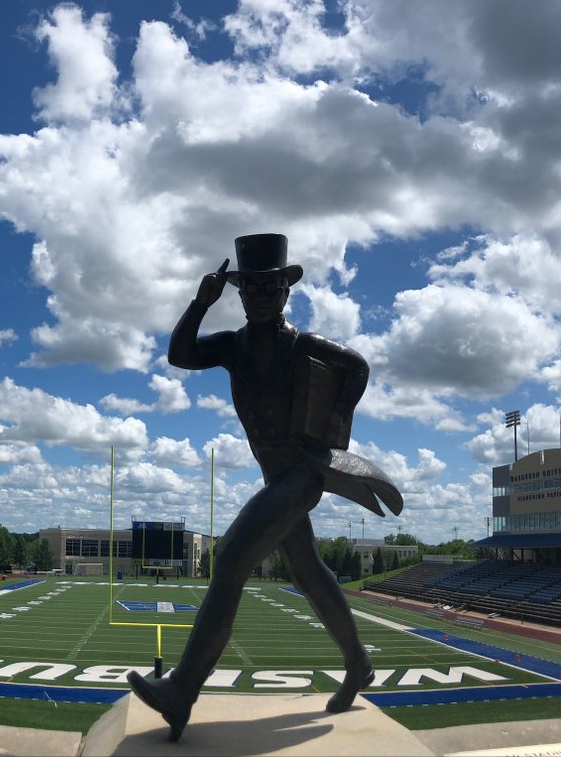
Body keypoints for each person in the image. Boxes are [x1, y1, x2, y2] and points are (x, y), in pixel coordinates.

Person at [127, 233, 403, 742]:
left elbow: (358, 367)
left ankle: (182, 692)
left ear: (284, 291)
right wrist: (199, 302)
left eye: (268, 289)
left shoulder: (304, 346)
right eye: (249, 290)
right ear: (240, 294)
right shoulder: (234, 346)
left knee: (231, 558)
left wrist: (336, 423)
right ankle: (359, 663)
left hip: (303, 472)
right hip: (275, 476)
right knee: (308, 571)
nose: (258, 297)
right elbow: (180, 354)